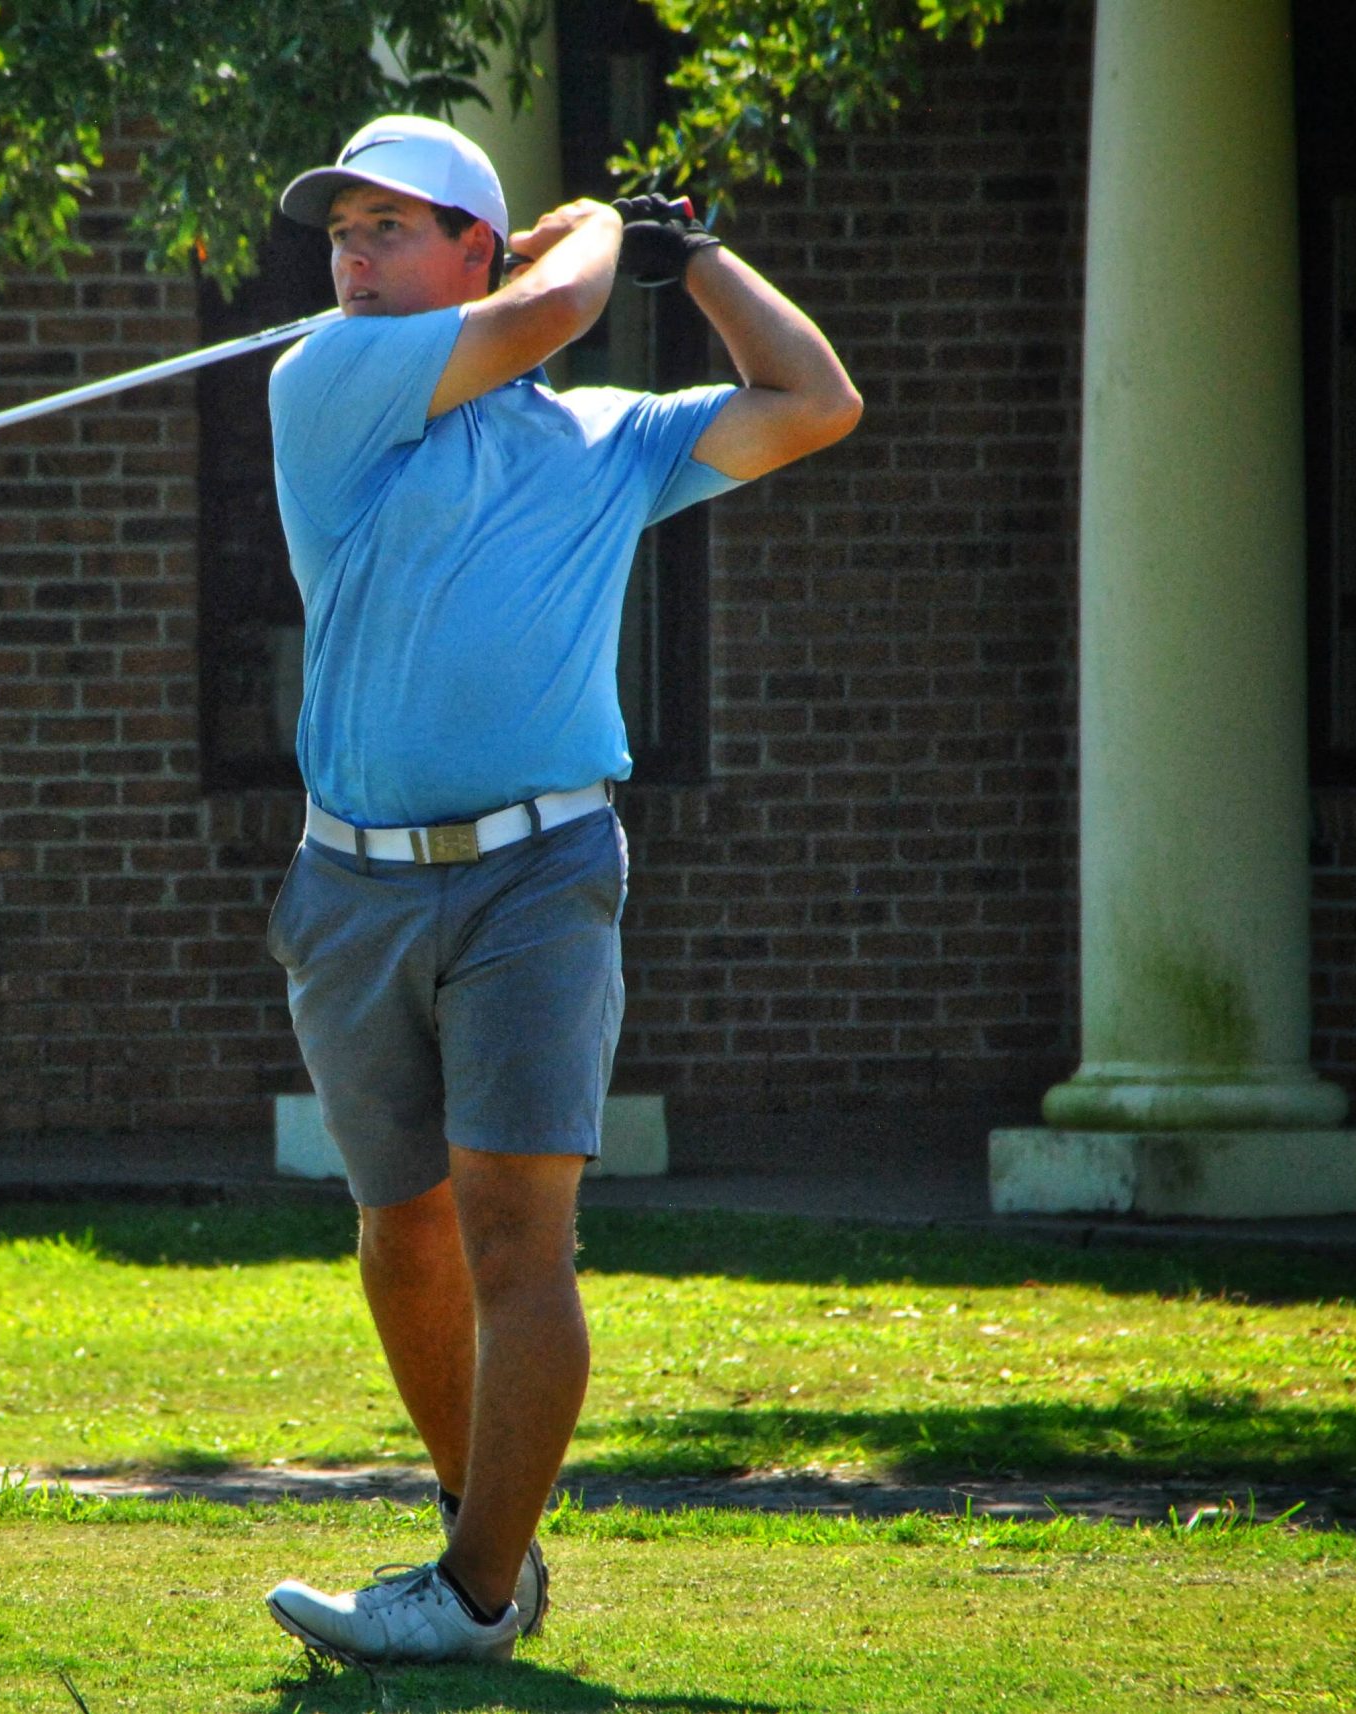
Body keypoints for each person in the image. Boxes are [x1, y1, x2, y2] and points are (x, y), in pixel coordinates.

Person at [258, 114, 861, 1666]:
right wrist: (600, 236)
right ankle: (492, 1539)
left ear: (472, 242)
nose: (352, 257)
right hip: (353, 886)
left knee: (518, 1233)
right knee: (403, 1233)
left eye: (391, 229)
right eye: (343, 232)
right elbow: (552, 314)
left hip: (540, 872)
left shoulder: (607, 444)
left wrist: (701, 256)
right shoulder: (322, 385)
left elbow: (815, 400)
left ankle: (461, 1595)